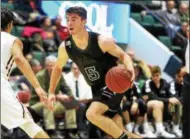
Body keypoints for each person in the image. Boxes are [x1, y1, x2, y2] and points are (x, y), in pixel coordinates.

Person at [47, 6, 140, 139]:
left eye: (74, 19)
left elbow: (124, 56)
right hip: (96, 88)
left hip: (113, 83)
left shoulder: (101, 41)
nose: (70, 23)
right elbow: (57, 68)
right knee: (116, 130)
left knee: (92, 114)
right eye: (68, 19)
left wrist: (130, 68)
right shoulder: (66, 47)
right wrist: (51, 92)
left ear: (84, 21)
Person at [1, 8, 49, 138]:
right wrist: (38, 87)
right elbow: (19, 59)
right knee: (29, 125)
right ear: (10, 24)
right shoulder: (12, 40)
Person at [29, 55, 77, 137]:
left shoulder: (59, 74)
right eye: (50, 66)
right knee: (48, 103)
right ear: (46, 66)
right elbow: (43, 95)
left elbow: (66, 87)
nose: (52, 68)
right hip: (37, 104)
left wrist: (70, 97)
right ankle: (51, 131)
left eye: (54, 65)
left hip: (53, 102)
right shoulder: (40, 76)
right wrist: (58, 96)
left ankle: (71, 131)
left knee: (70, 104)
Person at [142, 66, 177, 138]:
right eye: (153, 76)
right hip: (147, 106)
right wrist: (168, 100)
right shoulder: (148, 83)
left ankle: (174, 126)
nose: (155, 78)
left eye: (157, 75)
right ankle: (160, 130)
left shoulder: (165, 83)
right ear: (151, 76)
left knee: (175, 103)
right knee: (157, 103)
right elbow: (152, 97)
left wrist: (173, 99)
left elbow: (171, 95)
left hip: (161, 107)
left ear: (160, 75)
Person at [182, 23, 190, 139]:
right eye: (187, 30)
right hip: (188, 79)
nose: (188, 32)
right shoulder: (186, 42)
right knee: (186, 110)